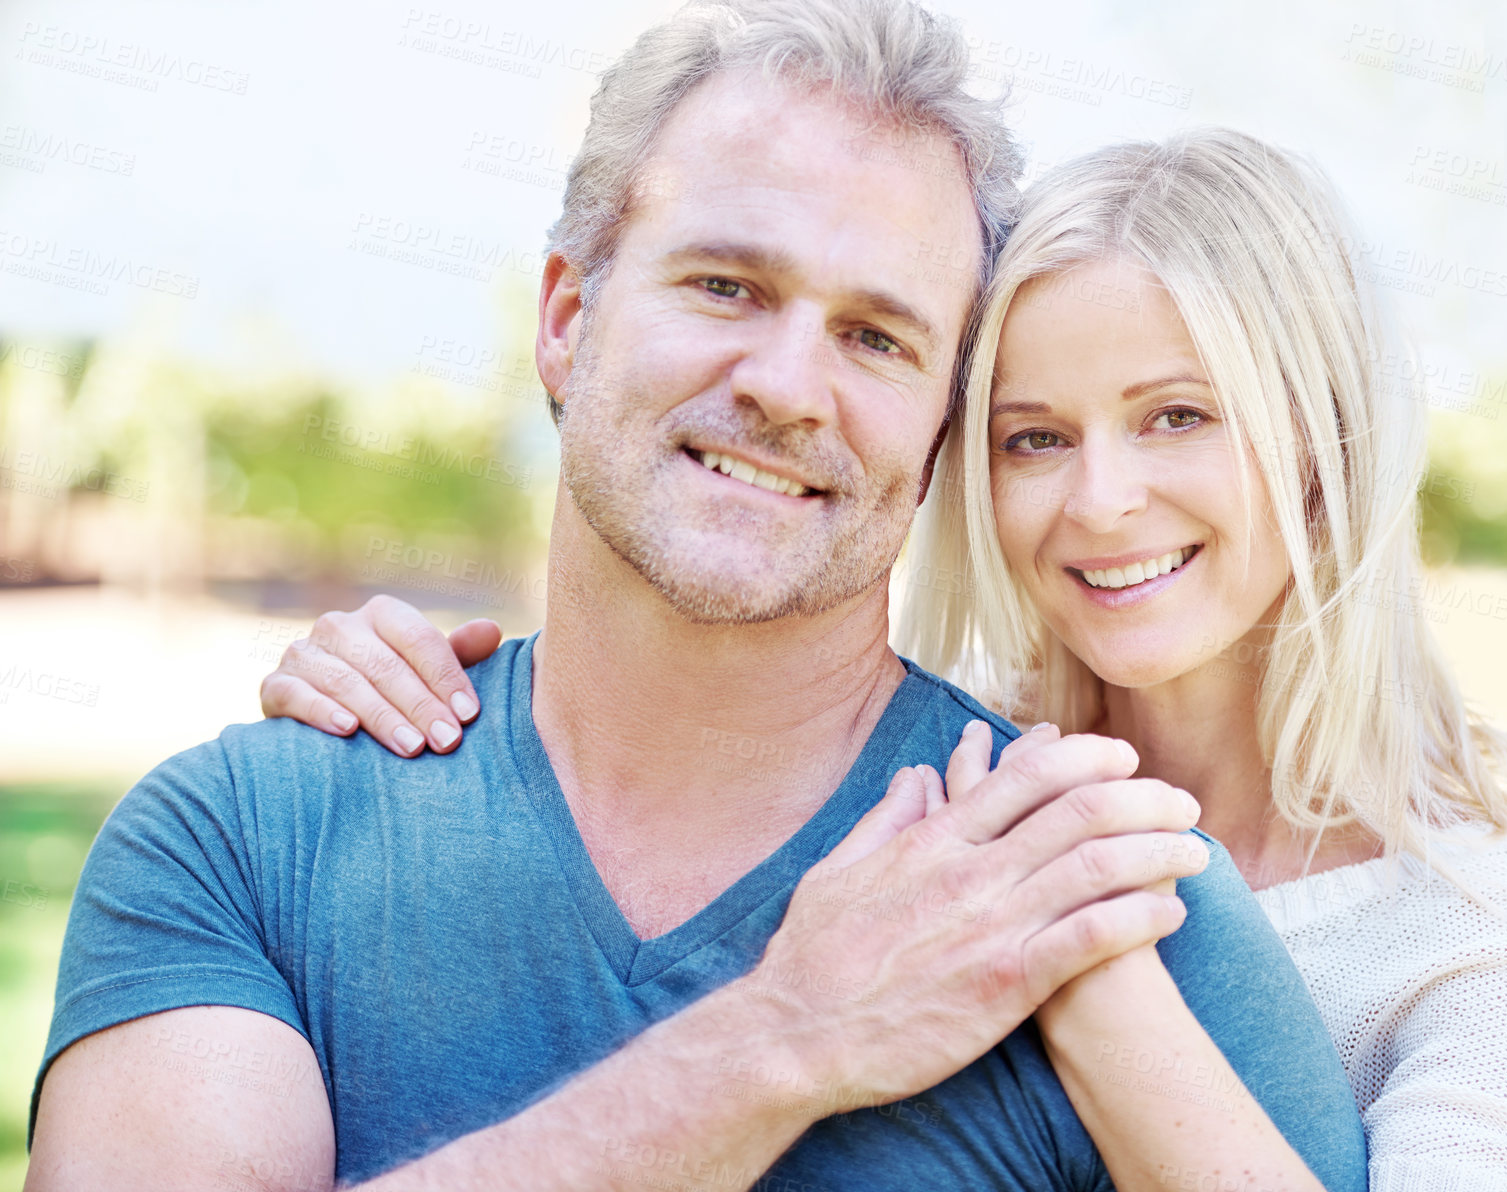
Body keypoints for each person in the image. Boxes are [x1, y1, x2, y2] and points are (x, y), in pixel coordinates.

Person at [25, 3, 1369, 1190]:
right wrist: (778, 1040)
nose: (786, 386)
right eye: (727, 284)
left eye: (876, 337)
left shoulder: (1103, 907)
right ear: (566, 318)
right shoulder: (245, 843)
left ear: (940, 427)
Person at [272, 127, 1507, 1188]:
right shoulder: (903, 799)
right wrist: (424, 704)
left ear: (1325, 447)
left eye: (1176, 418)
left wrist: (1069, 955)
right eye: (1034, 437)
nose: (1100, 501)